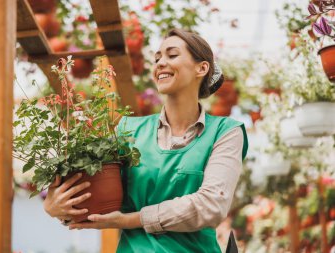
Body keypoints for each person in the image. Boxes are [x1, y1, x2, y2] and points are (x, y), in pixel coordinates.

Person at [43, 28, 248, 252]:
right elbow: (98, 195)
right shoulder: (128, 129)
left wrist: (132, 220)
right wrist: (57, 207)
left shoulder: (225, 132)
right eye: (157, 58)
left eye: (172, 55)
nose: (160, 63)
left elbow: (211, 206)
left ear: (202, 67)